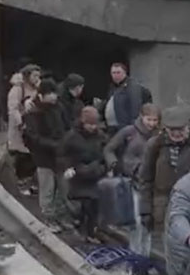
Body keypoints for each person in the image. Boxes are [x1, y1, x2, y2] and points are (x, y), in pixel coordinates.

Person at [139, 110, 190, 252]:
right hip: (161, 204)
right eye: (172, 130)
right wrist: (145, 209)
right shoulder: (155, 145)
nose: (177, 133)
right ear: (165, 129)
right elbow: (145, 179)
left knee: (189, 245)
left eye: (180, 129)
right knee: (160, 248)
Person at [105, 103, 161, 254]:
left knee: (147, 224)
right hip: (131, 182)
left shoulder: (159, 136)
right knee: (136, 223)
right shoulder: (129, 132)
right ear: (141, 117)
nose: (152, 123)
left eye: (155, 120)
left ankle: (145, 259)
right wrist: (114, 164)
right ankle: (135, 258)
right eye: (149, 119)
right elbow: (109, 149)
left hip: (151, 185)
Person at [23, 78, 74, 230]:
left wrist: (66, 143)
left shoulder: (59, 108)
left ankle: (62, 216)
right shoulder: (33, 112)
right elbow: (33, 137)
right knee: (47, 189)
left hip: (61, 156)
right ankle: (48, 219)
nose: (54, 97)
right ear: (41, 95)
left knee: (63, 188)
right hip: (43, 157)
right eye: (50, 94)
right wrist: (53, 144)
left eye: (54, 93)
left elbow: (67, 126)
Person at [60, 106, 109, 241]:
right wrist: (68, 168)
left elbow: (106, 154)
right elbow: (62, 155)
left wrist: (104, 168)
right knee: (82, 206)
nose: (93, 127)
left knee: (94, 206)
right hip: (79, 175)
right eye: (90, 124)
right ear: (83, 122)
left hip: (95, 174)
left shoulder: (101, 137)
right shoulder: (71, 137)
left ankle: (91, 232)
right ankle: (82, 228)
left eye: (95, 124)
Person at [6, 63, 40, 185]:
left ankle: (29, 181)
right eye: (34, 75)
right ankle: (20, 181)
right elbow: (13, 108)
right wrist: (20, 122)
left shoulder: (36, 89)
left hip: (34, 124)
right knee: (21, 154)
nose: (37, 78)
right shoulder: (18, 89)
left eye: (38, 76)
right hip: (21, 126)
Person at [102, 61, 152, 135]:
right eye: (113, 73)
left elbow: (135, 109)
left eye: (118, 72)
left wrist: (132, 130)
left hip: (125, 128)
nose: (116, 75)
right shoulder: (113, 87)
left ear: (125, 73)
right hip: (113, 128)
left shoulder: (132, 87)